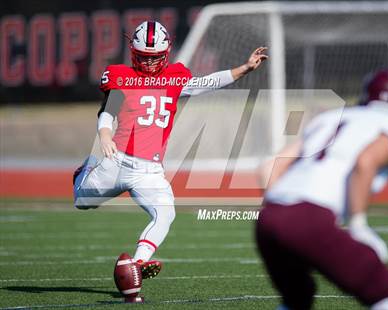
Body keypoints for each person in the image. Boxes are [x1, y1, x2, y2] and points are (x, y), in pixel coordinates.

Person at [73, 20, 268, 280]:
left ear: (165, 54)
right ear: (134, 52)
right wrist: (105, 134)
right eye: (145, 57)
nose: (151, 63)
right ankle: (87, 167)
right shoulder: (122, 75)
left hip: (150, 171)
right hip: (116, 160)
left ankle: (139, 262)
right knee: (82, 201)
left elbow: (207, 82)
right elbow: (109, 110)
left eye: (155, 58)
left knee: (166, 213)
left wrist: (244, 69)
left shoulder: (175, 76)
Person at [257, 68, 388, 310]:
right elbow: (366, 161)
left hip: (269, 218)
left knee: (297, 299)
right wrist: (358, 225)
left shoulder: (332, 117)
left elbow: (270, 167)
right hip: (310, 216)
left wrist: (285, 217)